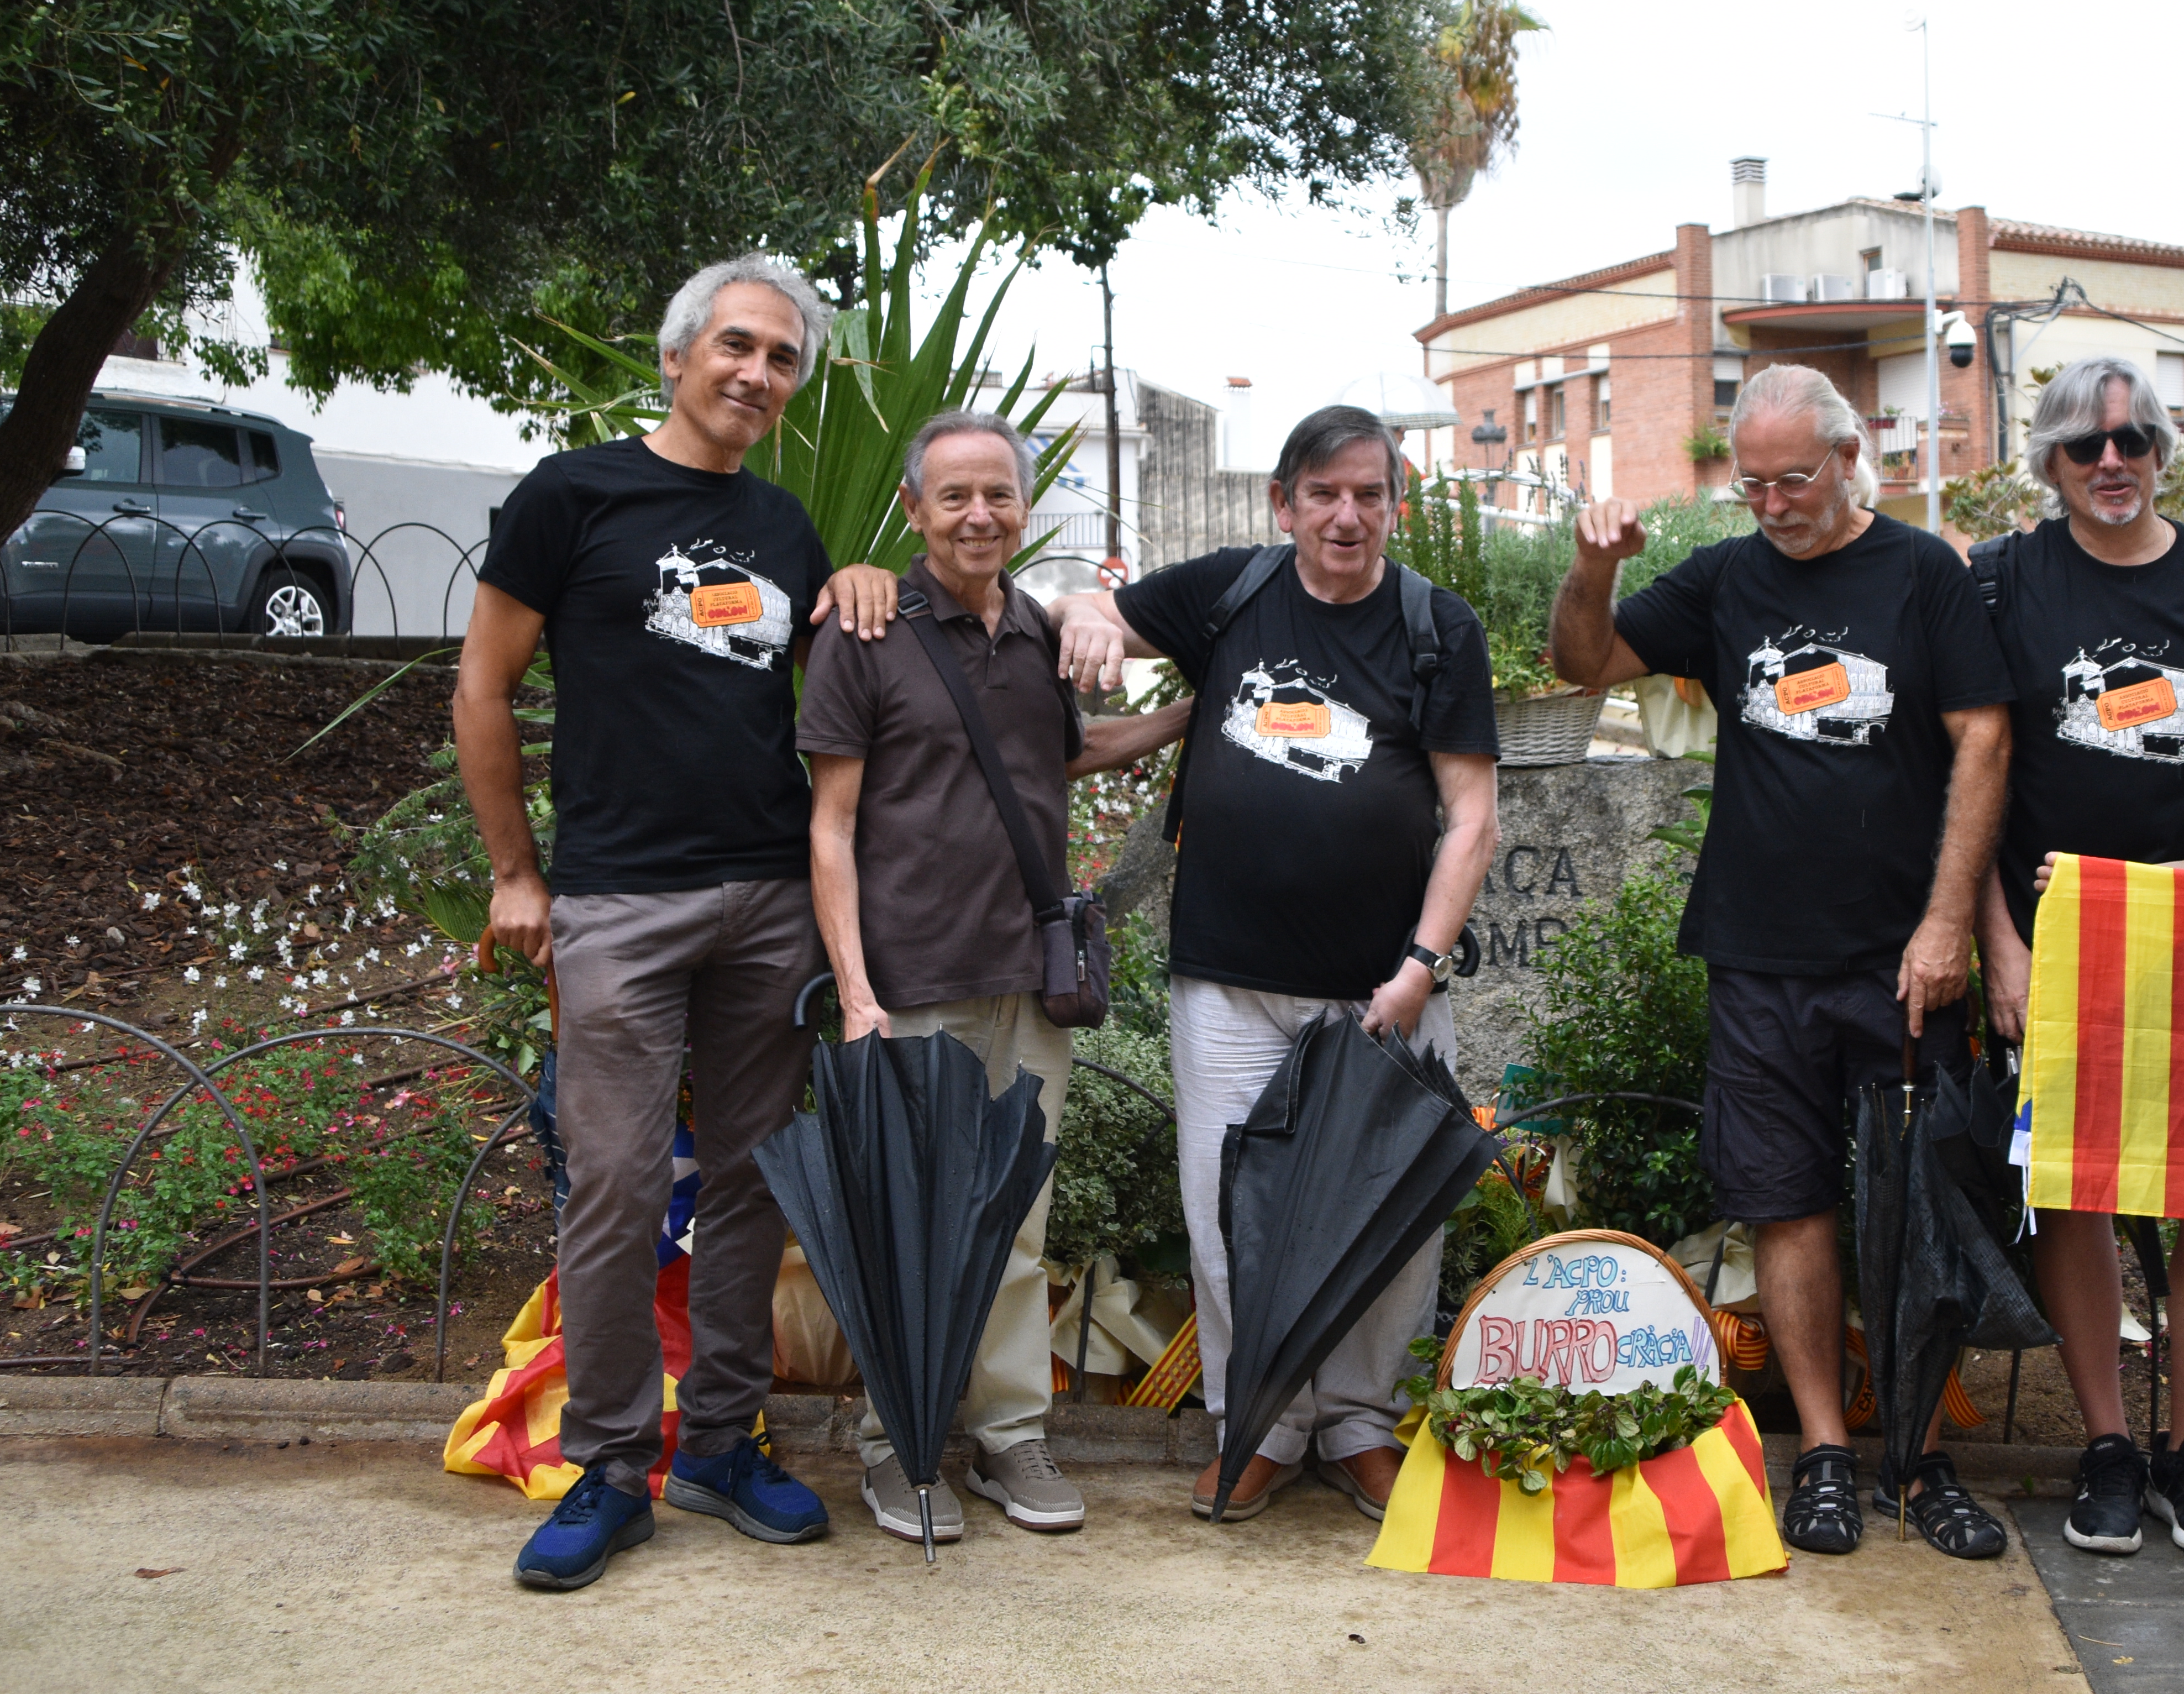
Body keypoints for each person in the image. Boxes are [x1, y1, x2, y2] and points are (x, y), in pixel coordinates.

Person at [459, 256, 900, 1593]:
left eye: (783, 359)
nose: (759, 374)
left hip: (769, 898)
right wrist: (515, 872)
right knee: (617, 1179)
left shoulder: (783, 525)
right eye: (738, 346)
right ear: (677, 355)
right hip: (619, 899)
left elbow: (839, 684)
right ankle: (607, 1464)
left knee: (755, 1178)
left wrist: (861, 574)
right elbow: (483, 685)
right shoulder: (571, 495)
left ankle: (719, 1439)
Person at [1550, 363, 2014, 1560]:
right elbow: (1586, 664)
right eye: (1751, 485)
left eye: (1793, 480)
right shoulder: (1725, 576)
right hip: (1758, 953)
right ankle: (1825, 1450)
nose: (1771, 504)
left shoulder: (1922, 571)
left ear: (1850, 459)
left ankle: (1919, 1457)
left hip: (1901, 958)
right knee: (1785, 1199)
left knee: (1919, 1210)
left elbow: (1982, 740)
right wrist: (1595, 566)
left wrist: (1947, 923)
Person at [1053, 405, 1499, 1527]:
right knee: (1226, 1214)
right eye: (1324, 494)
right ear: (1283, 503)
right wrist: (1090, 618)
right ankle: (1258, 1423)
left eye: (1369, 494)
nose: (1347, 516)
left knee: (1389, 1217)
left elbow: (1472, 816)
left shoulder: (1437, 625)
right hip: (1229, 982)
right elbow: (1085, 608)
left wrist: (1419, 965)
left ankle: (1358, 1424)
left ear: (1397, 504)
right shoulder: (1231, 591)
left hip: (1386, 989)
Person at [796, 408, 1193, 1543]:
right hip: (912, 978)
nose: (979, 514)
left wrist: (1187, 712)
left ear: (1024, 507)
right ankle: (900, 1440)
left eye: (999, 494)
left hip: (1030, 973)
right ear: (914, 509)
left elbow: (1065, 751)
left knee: (1016, 1215)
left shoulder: (1033, 631)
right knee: (913, 1220)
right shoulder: (868, 631)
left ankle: (1010, 1433)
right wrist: (856, 991)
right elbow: (831, 826)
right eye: (955, 495)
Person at [1975, 355, 2184, 1560]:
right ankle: (2111, 1447)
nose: (2111, 461)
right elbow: (1966, 773)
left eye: (2133, 440)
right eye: (2086, 444)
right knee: (2074, 1189)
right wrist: (1999, 944)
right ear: (2052, 461)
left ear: (2163, 450)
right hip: (2057, 938)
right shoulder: (2002, 578)